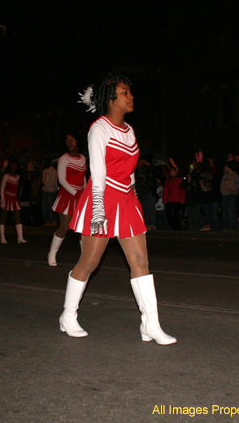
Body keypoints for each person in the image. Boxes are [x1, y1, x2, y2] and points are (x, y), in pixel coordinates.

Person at [61, 73, 176, 345]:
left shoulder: (129, 131)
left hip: (125, 198)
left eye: (130, 92)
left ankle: (150, 324)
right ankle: (68, 315)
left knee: (140, 262)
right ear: (111, 98)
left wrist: (132, 197)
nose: (131, 96)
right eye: (125, 92)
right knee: (89, 262)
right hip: (102, 198)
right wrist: (98, 210)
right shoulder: (98, 128)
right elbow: (97, 172)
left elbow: (130, 170)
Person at [47, 134, 87, 266]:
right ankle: (52, 253)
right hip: (68, 195)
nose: (69, 142)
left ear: (78, 142)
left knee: (82, 229)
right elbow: (62, 180)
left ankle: (84, 258)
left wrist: (86, 191)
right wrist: (76, 193)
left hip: (80, 195)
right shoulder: (63, 159)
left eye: (72, 139)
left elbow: (83, 178)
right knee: (64, 228)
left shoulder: (83, 158)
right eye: (67, 140)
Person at [0, 161, 27, 244]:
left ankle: (20, 237)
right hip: (7, 197)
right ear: (10, 167)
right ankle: (2, 237)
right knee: (3, 216)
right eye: (13, 165)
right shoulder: (6, 176)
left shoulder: (18, 177)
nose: (14, 167)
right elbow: (2, 188)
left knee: (18, 216)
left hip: (14, 198)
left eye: (15, 165)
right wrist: (3, 200)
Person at [220, 160, 239, 232]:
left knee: (231, 211)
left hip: (231, 195)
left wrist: (235, 187)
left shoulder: (234, 175)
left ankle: (233, 226)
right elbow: (222, 184)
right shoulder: (225, 175)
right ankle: (226, 226)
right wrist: (222, 190)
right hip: (225, 194)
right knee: (225, 211)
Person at [41, 158, 59, 227]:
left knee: (51, 206)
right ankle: (47, 221)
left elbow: (54, 182)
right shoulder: (45, 170)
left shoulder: (53, 170)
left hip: (51, 191)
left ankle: (53, 221)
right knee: (45, 206)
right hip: (45, 190)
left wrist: (45, 184)